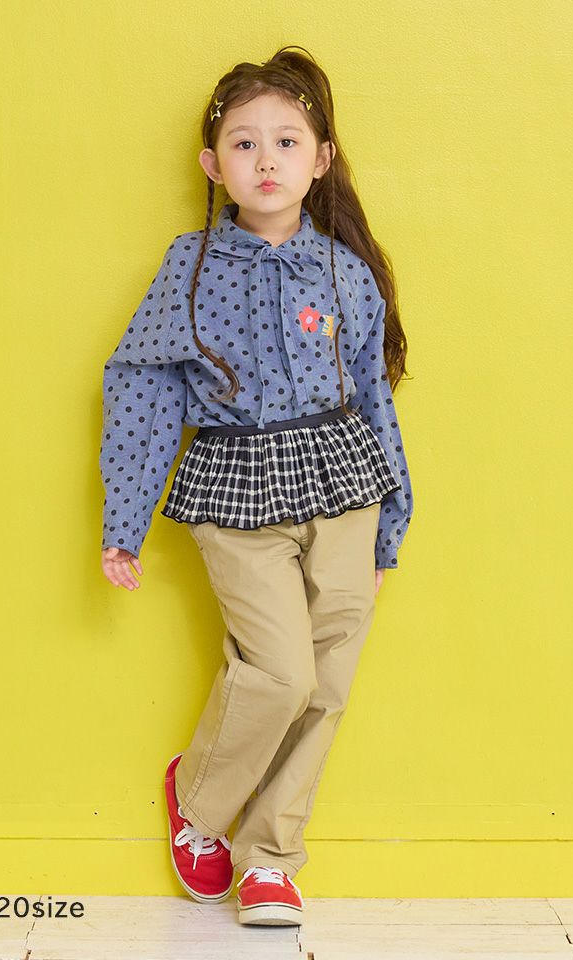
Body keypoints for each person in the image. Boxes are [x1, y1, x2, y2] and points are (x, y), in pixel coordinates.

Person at [99, 45, 414, 927]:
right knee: (279, 673)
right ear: (213, 164)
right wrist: (124, 519)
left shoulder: (346, 273)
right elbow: (143, 388)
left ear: (321, 160)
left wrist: (390, 524)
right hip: (237, 485)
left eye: (286, 141)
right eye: (244, 143)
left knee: (328, 682)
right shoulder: (190, 266)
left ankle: (271, 857)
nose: (265, 160)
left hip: (344, 484)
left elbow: (372, 398)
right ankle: (200, 802)